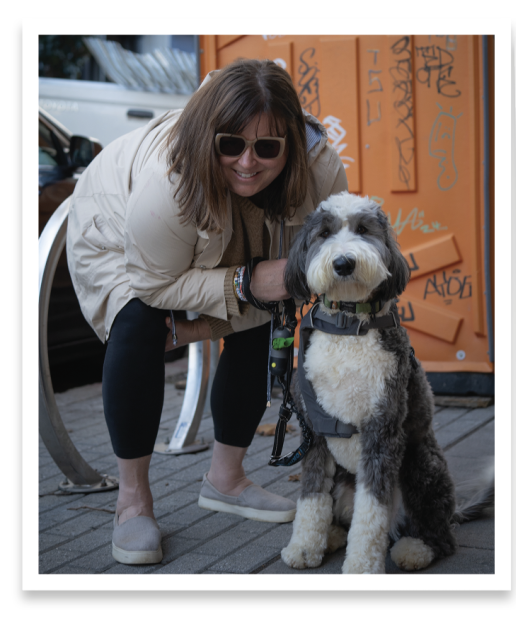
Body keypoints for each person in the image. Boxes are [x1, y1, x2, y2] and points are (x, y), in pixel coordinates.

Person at [63, 59, 348, 565]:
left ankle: (227, 479)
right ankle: (132, 501)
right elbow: (154, 283)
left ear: (292, 145)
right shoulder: (169, 180)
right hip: (115, 231)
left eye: (267, 147)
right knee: (137, 321)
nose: (247, 161)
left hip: (221, 228)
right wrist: (242, 280)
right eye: (231, 143)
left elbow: (337, 256)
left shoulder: (321, 169)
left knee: (264, 308)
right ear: (210, 137)